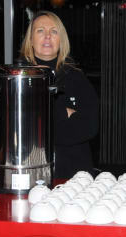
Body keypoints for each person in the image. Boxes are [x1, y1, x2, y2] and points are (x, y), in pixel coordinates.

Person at [18, 11, 98, 179]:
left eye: (54, 31)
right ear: (30, 40)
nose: (47, 36)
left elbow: (90, 127)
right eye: (40, 30)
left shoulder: (76, 77)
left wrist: (43, 119)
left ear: (61, 40)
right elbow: (20, 132)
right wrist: (64, 112)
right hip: (29, 172)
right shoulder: (18, 78)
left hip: (74, 176)